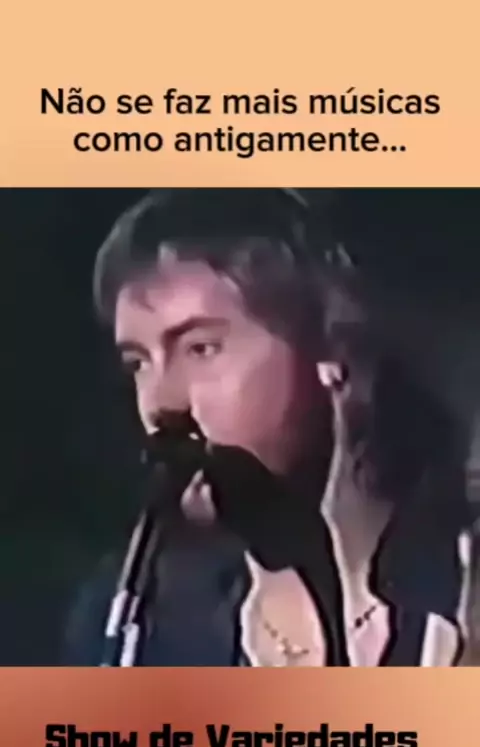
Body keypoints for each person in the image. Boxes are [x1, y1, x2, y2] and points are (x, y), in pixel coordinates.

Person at [63, 188, 471, 667]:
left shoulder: (459, 585)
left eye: (201, 349)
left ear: (332, 350)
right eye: (138, 364)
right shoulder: (135, 620)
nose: (160, 406)